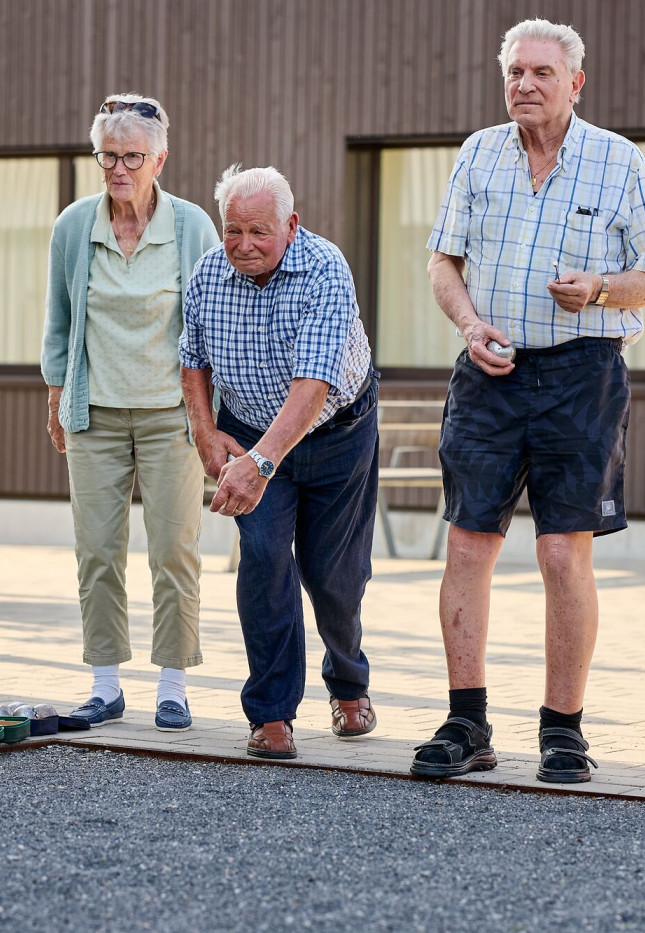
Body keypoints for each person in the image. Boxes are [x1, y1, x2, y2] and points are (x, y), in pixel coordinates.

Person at [412, 18, 645, 782]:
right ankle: (467, 722)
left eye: (541, 74)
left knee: (563, 551)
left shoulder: (618, 163)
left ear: (575, 83)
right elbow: (442, 261)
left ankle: (564, 730)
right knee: (468, 543)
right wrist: (468, 325)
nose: (525, 85)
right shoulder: (478, 154)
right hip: (488, 372)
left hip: (581, 375)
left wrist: (597, 289)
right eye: (516, 72)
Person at [179, 164, 379, 760]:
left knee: (332, 575)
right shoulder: (209, 273)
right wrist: (205, 431)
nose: (243, 245)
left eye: (259, 231)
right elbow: (193, 358)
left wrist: (260, 464)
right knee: (264, 560)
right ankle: (270, 714)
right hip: (247, 429)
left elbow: (313, 386)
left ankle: (349, 685)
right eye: (232, 230)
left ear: (292, 225)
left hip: (334, 430)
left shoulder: (325, 268)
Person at [42, 94, 220, 732]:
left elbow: (207, 324)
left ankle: (172, 685)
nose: (119, 169)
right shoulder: (74, 227)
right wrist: (59, 393)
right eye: (108, 157)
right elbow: (61, 323)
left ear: (160, 159)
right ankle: (106, 683)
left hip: (172, 416)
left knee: (174, 550)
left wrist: (208, 418)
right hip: (95, 415)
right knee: (97, 550)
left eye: (132, 157)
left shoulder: (193, 227)